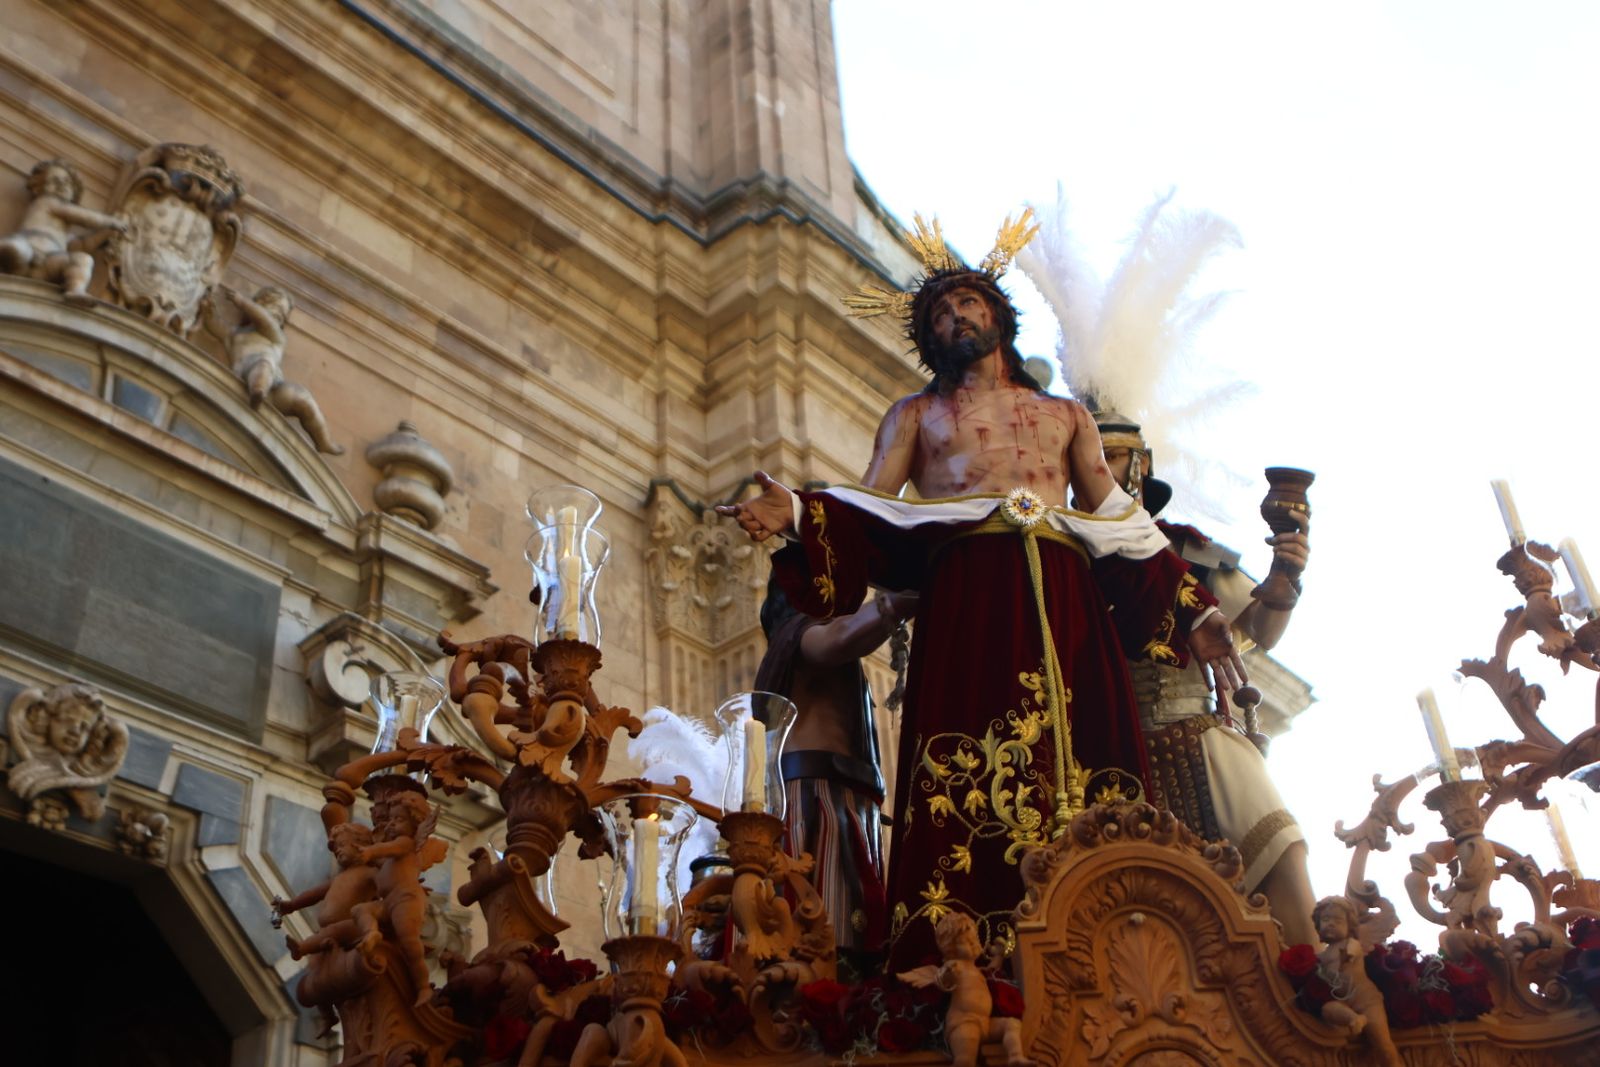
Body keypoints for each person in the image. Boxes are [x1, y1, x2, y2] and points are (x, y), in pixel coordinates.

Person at [718, 216, 1246, 967]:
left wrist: (1196, 611)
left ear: (998, 317)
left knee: (1092, 768)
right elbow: (869, 508)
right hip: (969, 595)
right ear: (929, 339)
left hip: (1065, 595)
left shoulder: (1067, 417)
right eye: (939, 313)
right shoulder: (916, 416)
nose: (954, 317)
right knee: (971, 771)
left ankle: (1123, 933)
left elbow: (1122, 521)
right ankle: (963, 954)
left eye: (967, 304)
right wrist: (800, 515)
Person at [1098, 411, 1318, 946]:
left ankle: (1318, 982)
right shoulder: (1069, 558)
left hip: (1202, 737)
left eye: (1111, 454)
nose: (1096, 467)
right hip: (1109, 756)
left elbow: (1256, 630)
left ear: (1139, 465)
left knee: (1279, 854)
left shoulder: (1189, 553)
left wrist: (1286, 576)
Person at [753, 573, 917, 976]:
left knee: (863, 943)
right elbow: (834, 640)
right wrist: (900, 600)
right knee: (824, 937)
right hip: (815, 802)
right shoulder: (796, 634)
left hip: (853, 804)